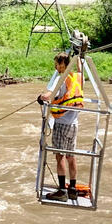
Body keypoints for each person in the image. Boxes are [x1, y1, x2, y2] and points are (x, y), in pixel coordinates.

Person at [38, 51, 84, 201]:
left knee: (60, 157)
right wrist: (79, 58)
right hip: (74, 124)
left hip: (62, 124)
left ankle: (62, 192)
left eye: (56, 64)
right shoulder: (77, 78)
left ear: (62, 64)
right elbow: (81, 70)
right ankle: (72, 189)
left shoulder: (61, 79)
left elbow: (48, 96)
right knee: (71, 157)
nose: (55, 67)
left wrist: (40, 98)